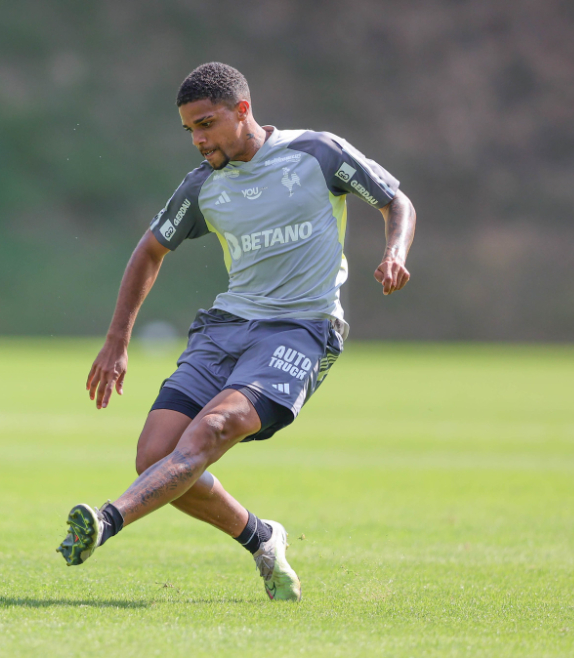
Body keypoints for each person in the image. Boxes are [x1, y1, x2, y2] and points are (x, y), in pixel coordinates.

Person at [57, 63, 416, 602]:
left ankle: (108, 520)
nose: (198, 140)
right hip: (226, 328)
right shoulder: (204, 186)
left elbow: (396, 202)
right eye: (189, 131)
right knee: (155, 456)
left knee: (213, 429)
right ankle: (261, 537)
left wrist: (394, 252)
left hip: (301, 329)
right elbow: (149, 250)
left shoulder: (318, 154)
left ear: (242, 111)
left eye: (206, 124)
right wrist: (117, 340)